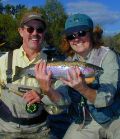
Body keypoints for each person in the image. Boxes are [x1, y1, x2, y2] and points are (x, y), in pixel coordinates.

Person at [0, 11, 70, 139]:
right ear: (21, 31)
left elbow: (62, 106)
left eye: (40, 30)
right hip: (5, 131)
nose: (35, 33)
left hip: (41, 132)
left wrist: (46, 93)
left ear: (43, 34)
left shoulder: (55, 65)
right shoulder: (4, 61)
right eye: (30, 29)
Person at [58, 13, 120, 139]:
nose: (76, 39)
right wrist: (46, 88)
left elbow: (106, 98)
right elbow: (60, 101)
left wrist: (82, 88)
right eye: (71, 36)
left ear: (91, 34)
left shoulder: (108, 56)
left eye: (81, 33)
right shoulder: (67, 62)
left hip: (115, 117)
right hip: (86, 120)